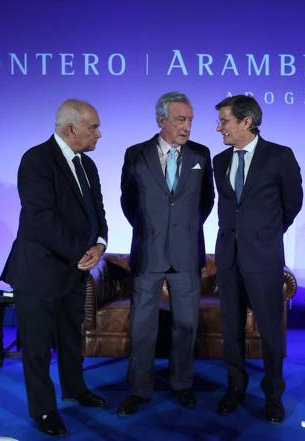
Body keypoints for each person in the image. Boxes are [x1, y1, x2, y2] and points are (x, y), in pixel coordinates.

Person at [0, 99, 108, 436]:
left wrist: (100, 245)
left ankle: (75, 389)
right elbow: (41, 219)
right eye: (93, 127)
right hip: (40, 270)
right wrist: (82, 252)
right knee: (36, 346)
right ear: (71, 128)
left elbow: (98, 213)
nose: (99, 134)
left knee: (70, 337)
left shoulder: (87, 166)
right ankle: (43, 411)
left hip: (75, 269)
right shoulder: (36, 160)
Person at [118, 92, 215, 415]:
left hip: (187, 254)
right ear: (161, 121)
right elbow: (128, 202)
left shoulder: (202, 154)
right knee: (143, 325)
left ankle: (182, 384)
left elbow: (206, 202)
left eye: (190, 120)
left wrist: (184, 230)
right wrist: (150, 230)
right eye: (180, 120)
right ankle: (139, 388)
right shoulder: (136, 154)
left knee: (185, 325)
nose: (187, 127)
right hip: (148, 252)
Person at [212, 95, 303, 423]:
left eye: (224, 120)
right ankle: (235, 387)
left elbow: (293, 203)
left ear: (246, 122)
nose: (218, 127)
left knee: (269, 331)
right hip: (228, 258)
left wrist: (266, 235)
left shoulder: (280, 156)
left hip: (264, 259)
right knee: (231, 329)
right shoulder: (219, 161)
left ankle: (273, 396)